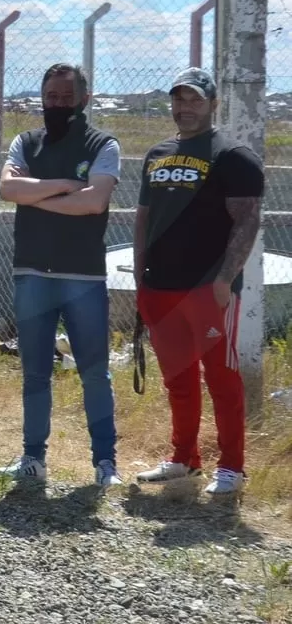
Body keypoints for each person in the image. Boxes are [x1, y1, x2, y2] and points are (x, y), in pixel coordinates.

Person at [132, 68, 264, 498]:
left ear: (212, 104)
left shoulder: (233, 155)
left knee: (222, 379)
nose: (184, 107)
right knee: (178, 378)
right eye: (178, 99)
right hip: (160, 288)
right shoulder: (157, 154)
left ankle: (232, 468)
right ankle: (184, 460)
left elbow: (247, 220)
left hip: (208, 290)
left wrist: (225, 279)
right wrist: (140, 277)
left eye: (193, 100)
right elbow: (144, 220)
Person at [0, 64, 122, 489]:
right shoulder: (26, 141)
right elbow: (9, 191)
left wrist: (36, 195)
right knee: (35, 371)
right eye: (51, 95)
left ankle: (105, 462)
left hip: (82, 276)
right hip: (33, 272)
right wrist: (66, 185)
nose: (57, 102)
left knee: (93, 371)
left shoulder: (103, 144)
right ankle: (33, 458)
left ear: (84, 98)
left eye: (66, 96)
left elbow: (94, 202)